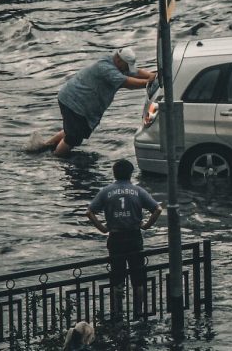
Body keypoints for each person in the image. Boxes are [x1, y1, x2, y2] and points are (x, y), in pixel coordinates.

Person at [25, 48, 156, 156]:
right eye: (126, 66)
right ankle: (56, 158)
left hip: (76, 101)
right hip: (75, 101)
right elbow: (128, 83)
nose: (127, 69)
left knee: (73, 129)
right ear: (118, 59)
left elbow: (134, 72)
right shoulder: (106, 68)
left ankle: (45, 146)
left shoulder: (116, 64)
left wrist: (152, 76)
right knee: (74, 137)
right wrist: (150, 82)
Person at [86, 159, 163, 320]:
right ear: (131, 173)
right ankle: (139, 313)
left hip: (116, 237)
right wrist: (147, 225)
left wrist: (102, 228)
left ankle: (117, 314)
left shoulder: (106, 191)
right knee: (138, 278)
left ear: (114, 173)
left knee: (117, 278)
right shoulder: (138, 191)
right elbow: (157, 208)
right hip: (134, 236)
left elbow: (90, 212)